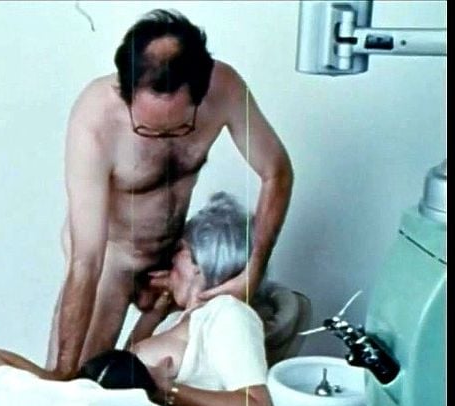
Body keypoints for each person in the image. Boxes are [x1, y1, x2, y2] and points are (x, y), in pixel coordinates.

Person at [0, 193, 282, 406]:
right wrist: (154, 313)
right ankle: (51, 394)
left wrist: (166, 392)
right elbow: (127, 367)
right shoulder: (182, 320)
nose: (170, 259)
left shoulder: (228, 313)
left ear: (205, 261)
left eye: (181, 252)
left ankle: (47, 397)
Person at [47, 8, 294, 381]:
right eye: (146, 129)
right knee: (83, 379)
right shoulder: (94, 120)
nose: (162, 138)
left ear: (201, 92)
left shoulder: (225, 89)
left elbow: (276, 171)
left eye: (178, 128)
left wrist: (254, 270)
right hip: (112, 259)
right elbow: (86, 262)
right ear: (126, 91)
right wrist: (61, 379)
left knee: (191, 366)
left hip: (176, 253)